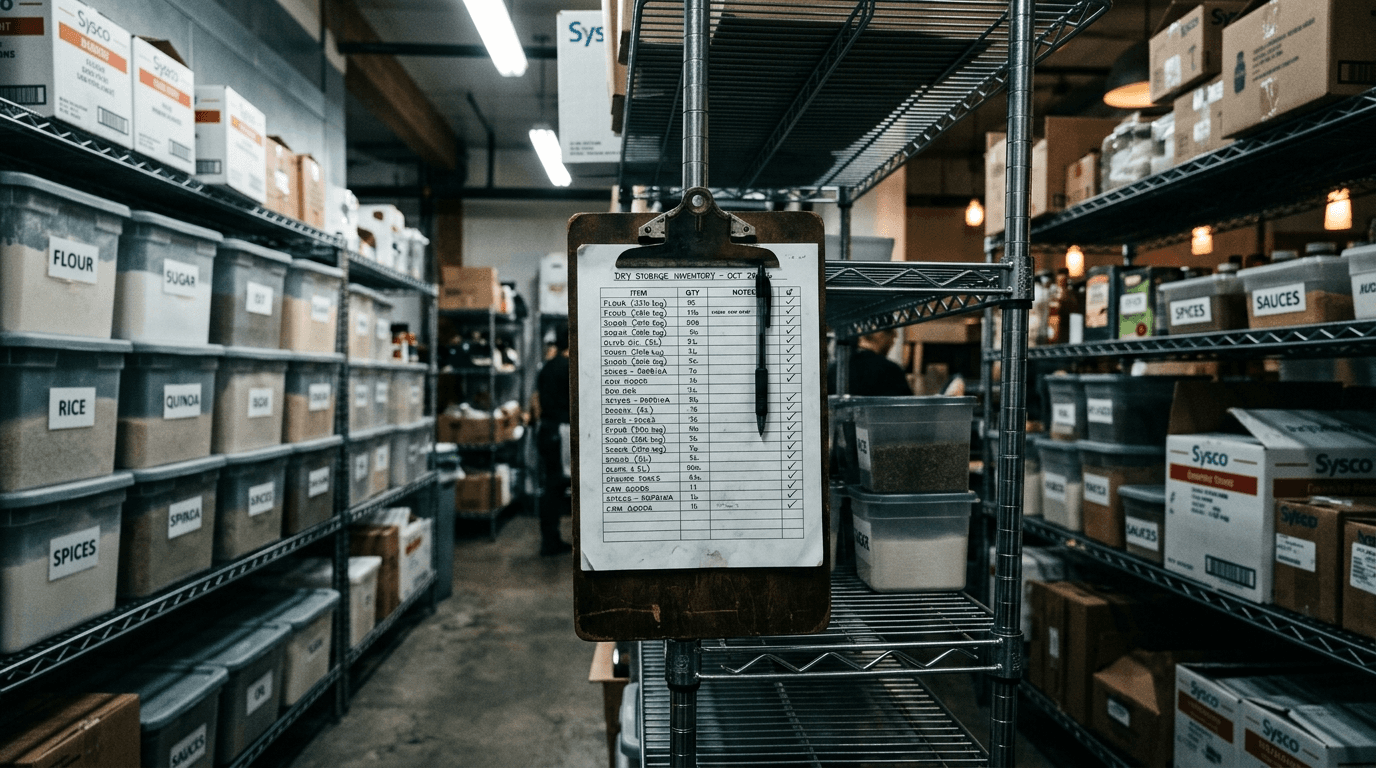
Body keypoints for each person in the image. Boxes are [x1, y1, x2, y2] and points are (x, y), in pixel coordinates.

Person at [536, 327, 573, 556]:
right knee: (556, 485)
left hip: (547, 429)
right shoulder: (568, 367)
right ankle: (550, 542)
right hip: (560, 431)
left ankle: (550, 539)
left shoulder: (548, 366)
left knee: (552, 484)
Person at [828, 329, 912, 396]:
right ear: (882, 336)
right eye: (893, 339)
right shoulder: (891, 371)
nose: (891, 344)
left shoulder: (834, 368)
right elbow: (907, 410)